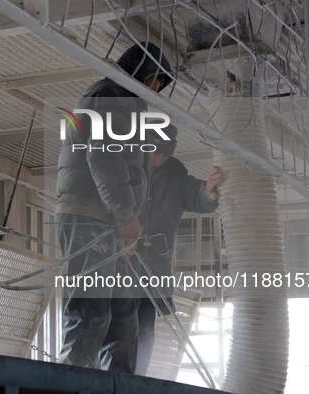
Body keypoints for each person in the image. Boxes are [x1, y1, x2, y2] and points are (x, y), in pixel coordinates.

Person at [54, 42, 172, 374]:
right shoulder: (112, 97)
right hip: (92, 214)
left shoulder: (123, 102)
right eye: (154, 80)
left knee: (123, 316)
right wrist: (125, 216)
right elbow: (104, 158)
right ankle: (71, 381)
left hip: (105, 216)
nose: (156, 89)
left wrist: (125, 218)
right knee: (91, 308)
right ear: (139, 73)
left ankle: (119, 383)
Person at [133, 124, 223, 376]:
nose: (158, 159)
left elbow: (198, 196)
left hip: (153, 271)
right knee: (114, 326)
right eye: (153, 152)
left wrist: (209, 193)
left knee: (145, 332)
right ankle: (104, 381)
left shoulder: (175, 177)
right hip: (120, 266)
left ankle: (135, 382)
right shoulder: (122, 172)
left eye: (164, 154)